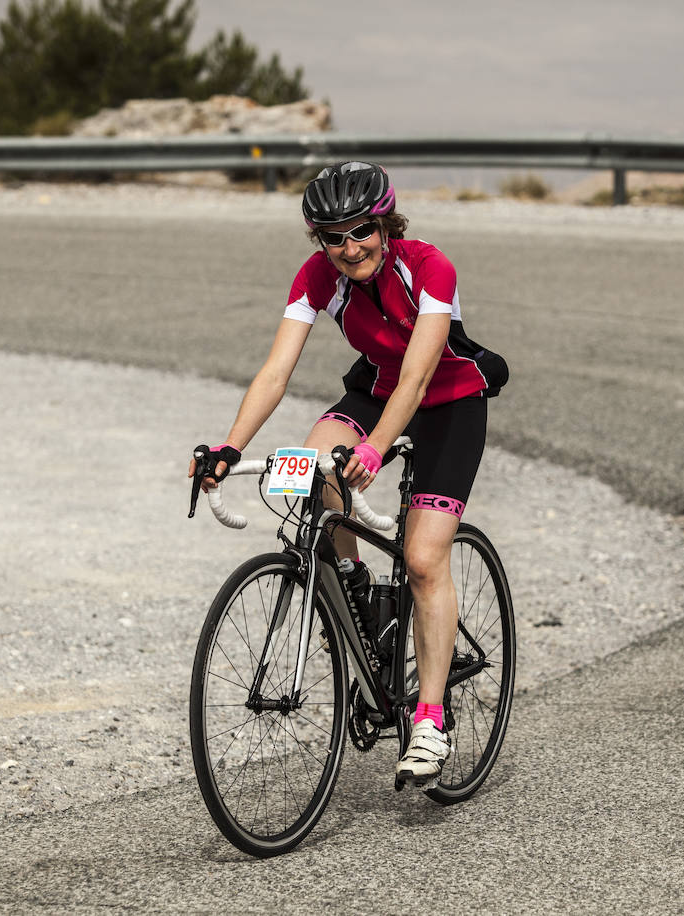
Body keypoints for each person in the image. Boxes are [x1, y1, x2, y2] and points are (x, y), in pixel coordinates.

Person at [189, 161, 507, 788]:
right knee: (307, 478)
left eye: (361, 230)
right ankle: (361, 598)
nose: (349, 247)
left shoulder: (428, 266)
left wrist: (376, 450)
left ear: (384, 223)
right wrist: (228, 446)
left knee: (422, 558)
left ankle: (431, 718)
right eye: (333, 237)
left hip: (448, 402)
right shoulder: (318, 276)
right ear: (319, 241)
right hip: (376, 389)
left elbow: (418, 375)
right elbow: (276, 370)